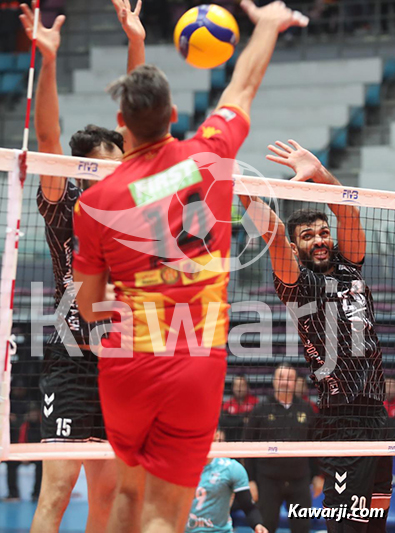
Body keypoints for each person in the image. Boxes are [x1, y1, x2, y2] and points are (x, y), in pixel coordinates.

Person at [72, 2, 308, 532]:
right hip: (193, 362)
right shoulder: (210, 154)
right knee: (167, 512)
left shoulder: (97, 202)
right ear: (173, 115)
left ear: (120, 123)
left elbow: (88, 306)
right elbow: (241, 89)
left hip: (128, 362)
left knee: (127, 498)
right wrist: (268, 23)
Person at [19, 1, 145, 531]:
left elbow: (141, 122)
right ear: (81, 172)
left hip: (120, 364)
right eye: (104, 167)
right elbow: (48, 140)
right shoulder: (64, 205)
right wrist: (48, 61)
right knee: (56, 492)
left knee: (110, 496)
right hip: (71, 360)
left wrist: (136, 43)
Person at [241, 140, 392, 532]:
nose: (320, 239)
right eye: (308, 236)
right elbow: (274, 234)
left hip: (379, 416)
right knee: (346, 525)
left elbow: (348, 211)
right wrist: (242, 189)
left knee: (375, 522)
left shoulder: (350, 267)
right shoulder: (297, 283)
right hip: (343, 419)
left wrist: (319, 172)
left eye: (324, 232)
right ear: (297, 246)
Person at [244, 364, 323, 533]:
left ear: (295, 383)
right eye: (281, 377)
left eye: (289, 379)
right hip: (268, 481)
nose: (284, 382)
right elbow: (247, 446)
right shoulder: (260, 409)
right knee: (265, 528)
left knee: (302, 528)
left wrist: (318, 474)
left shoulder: (306, 409)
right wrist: (250, 480)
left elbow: (315, 444)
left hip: (300, 480)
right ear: (273, 381)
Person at [185, 429, 267, 533]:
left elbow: (248, 507)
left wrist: (257, 524)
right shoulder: (179, 468)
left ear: (217, 435)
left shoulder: (231, 468)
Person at [222, 374, 259, 440]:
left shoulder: (255, 402)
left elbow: (256, 422)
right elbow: (224, 422)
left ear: (247, 387)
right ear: (233, 388)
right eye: (236, 385)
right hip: (231, 439)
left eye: (242, 385)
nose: (239, 388)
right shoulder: (227, 404)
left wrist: (234, 419)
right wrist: (242, 420)